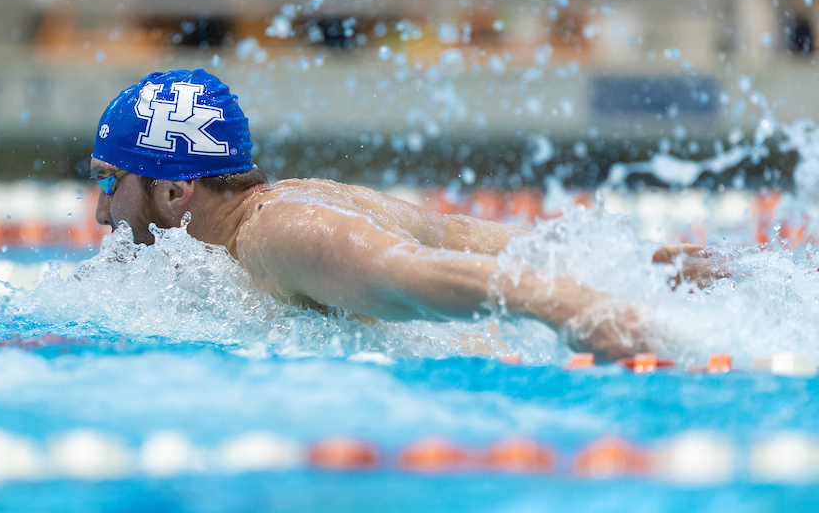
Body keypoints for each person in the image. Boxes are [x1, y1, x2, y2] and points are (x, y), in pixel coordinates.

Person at [89, 68, 719, 359]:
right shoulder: (305, 198)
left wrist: (572, 309)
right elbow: (469, 238)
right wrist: (644, 265)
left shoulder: (280, 236)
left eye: (110, 182)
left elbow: (408, 272)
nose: (98, 212)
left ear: (174, 194)